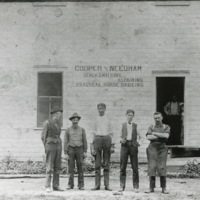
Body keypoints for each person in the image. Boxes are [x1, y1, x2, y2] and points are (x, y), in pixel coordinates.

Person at [90, 103, 114, 191]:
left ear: (105, 109)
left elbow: (112, 133)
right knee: (97, 163)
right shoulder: (95, 119)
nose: (101, 110)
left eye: (102, 108)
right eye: (99, 108)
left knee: (106, 163)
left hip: (107, 139)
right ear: (97, 109)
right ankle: (97, 185)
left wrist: (112, 145)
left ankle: (107, 185)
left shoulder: (108, 119)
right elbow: (92, 132)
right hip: (97, 139)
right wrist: (91, 146)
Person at [145, 112, 170, 194]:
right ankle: (151, 187)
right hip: (152, 148)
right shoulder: (151, 127)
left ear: (162, 117)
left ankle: (164, 188)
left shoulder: (166, 126)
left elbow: (166, 136)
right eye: (155, 118)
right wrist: (160, 135)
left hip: (162, 148)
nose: (157, 120)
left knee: (162, 167)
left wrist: (154, 133)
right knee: (152, 167)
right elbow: (148, 137)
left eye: (158, 118)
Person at [118, 109, 142, 193]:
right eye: (129, 115)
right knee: (122, 166)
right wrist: (121, 140)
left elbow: (140, 136)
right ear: (126, 115)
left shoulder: (136, 125)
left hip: (133, 146)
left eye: (131, 115)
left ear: (133, 116)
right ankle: (122, 186)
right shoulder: (122, 125)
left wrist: (138, 143)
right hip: (124, 146)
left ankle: (136, 186)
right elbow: (119, 136)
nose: (130, 116)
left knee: (135, 167)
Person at [41, 106, 63, 192]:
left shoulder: (58, 124)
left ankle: (56, 186)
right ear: (54, 114)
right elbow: (43, 136)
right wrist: (46, 146)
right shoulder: (47, 123)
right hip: (50, 145)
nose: (59, 116)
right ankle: (47, 186)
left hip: (58, 145)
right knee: (49, 166)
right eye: (58, 115)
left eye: (60, 115)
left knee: (57, 166)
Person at [64, 113, 88, 190]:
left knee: (80, 167)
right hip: (71, 149)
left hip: (80, 149)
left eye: (76, 119)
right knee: (71, 167)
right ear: (71, 120)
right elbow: (65, 141)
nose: (75, 120)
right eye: (73, 119)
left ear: (78, 120)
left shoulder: (82, 129)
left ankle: (81, 185)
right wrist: (65, 152)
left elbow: (84, 140)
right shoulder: (68, 130)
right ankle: (70, 184)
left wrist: (85, 151)